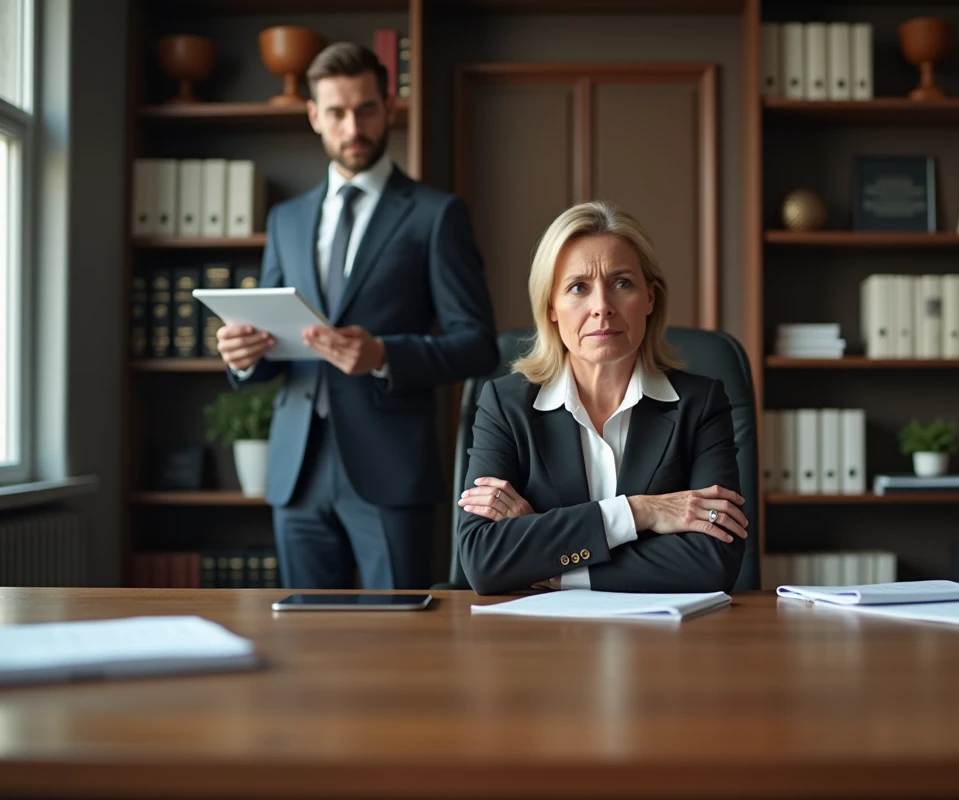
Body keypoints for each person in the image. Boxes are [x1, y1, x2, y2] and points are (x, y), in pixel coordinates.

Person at [216, 43, 498, 590]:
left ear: (388, 109)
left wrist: (384, 355)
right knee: (303, 643)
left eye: (366, 109)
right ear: (315, 116)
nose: (353, 126)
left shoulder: (437, 215)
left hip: (390, 467)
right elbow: (270, 342)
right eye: (338, 112)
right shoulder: (286, 219)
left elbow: (478, 344)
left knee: (400, 645)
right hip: (297, 468)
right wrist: (244, 359)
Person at [456, 200, 748, 595]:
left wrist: (550, 559)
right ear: (551, 307)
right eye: (578, 287)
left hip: (666, 642)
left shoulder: (700, 404)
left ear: (650, 298)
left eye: (622, 283)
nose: (602, 308)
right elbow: (483, 560)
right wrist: (643, 511)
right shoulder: (506, 406)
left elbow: (713, 561)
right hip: (538, 644)